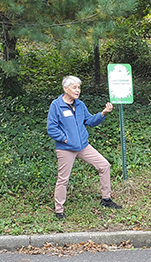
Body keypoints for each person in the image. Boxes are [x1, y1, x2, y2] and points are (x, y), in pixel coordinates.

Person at [47, 75, 120, 219]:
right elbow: (51, 128)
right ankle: (59, 210)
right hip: (66, 148)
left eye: (79, 87)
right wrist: (66, 139)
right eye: (74, 87)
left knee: (104, 165)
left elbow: (90, 121)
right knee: (63, 179)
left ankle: (106, 199)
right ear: (65, 88)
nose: (77, 90)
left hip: (83, 146)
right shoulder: (56, 105)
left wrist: (103, 113)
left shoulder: (80, 105)